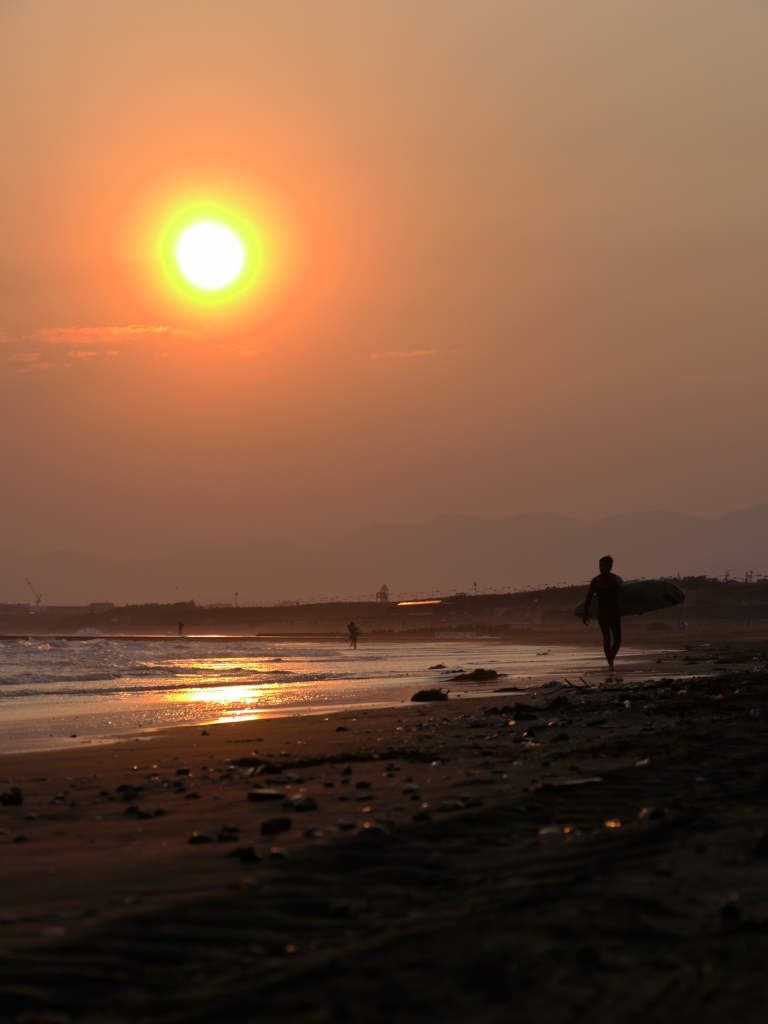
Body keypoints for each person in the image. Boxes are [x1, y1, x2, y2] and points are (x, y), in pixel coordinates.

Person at [582, 556, 624, 669]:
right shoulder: (596, 581)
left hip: (615, 613)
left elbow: (624, 597)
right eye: (600, 565)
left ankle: (611, 659)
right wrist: (585, 614)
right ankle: (611, 664)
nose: (601, 567)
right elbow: (589, 597)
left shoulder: (617, 580)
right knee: (607, 639)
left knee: (618, 640)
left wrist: (637, 609)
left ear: (610, 567)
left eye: (604, 565)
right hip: (603, 613)